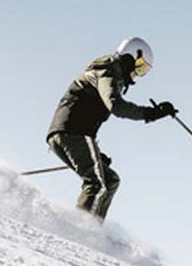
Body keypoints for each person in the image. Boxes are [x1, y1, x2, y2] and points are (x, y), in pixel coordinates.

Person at [46, 37, 176, 220]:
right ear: (131, 57)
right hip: (73, 132)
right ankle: (82, 230)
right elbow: (116, 106)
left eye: (144, 71)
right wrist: (151, 113)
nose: (138, 74)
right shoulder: (108, 71)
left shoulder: (106, 72)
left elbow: (87, 112)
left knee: (110, 180)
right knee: (97, 184)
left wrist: (96, 153)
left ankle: (93, 228)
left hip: (66, 133)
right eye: (140, 67)